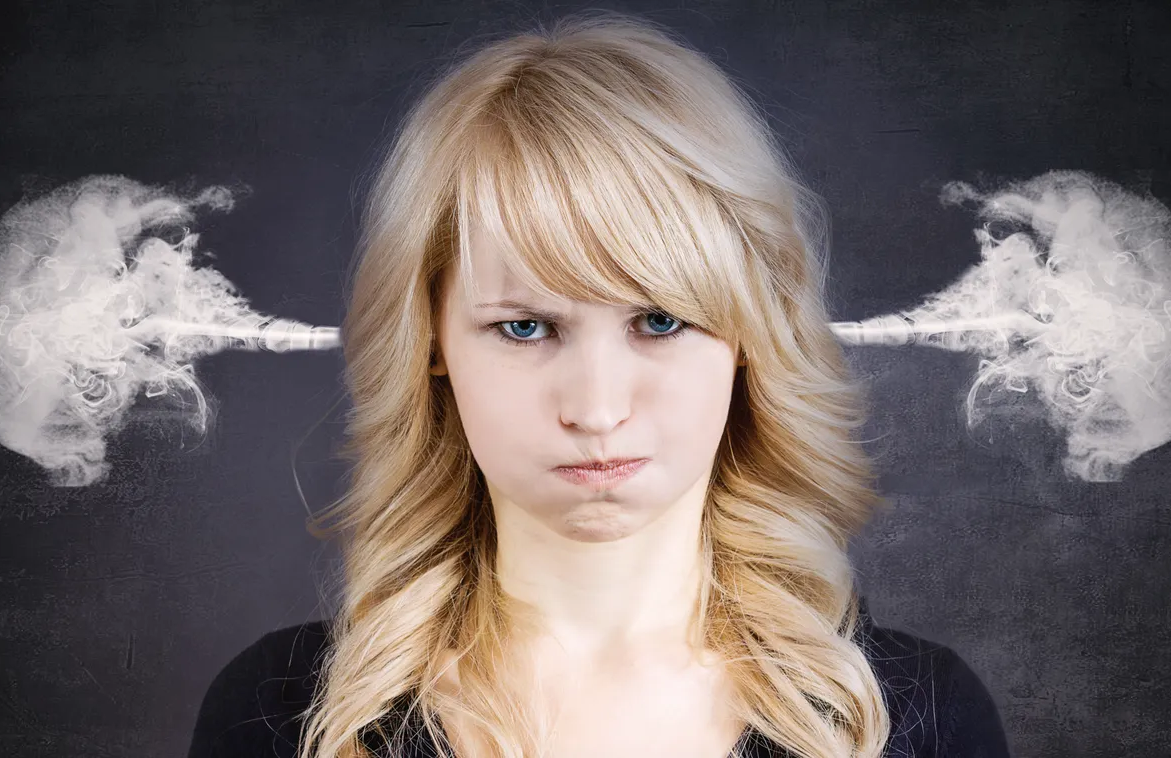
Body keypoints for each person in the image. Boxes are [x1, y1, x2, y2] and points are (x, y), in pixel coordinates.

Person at [190, 10, 1010, 758]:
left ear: (748, 333)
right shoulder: (280, 715)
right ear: (430, 338)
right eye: (525, 327)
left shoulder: (920, 720)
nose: (596, 409)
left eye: (659, 320)